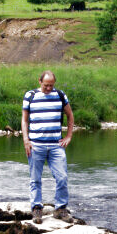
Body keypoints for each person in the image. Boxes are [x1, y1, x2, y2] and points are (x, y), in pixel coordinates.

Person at [21, 70, 74, 223]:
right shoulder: (30, 96)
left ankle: (60, 209)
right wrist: (26, 140)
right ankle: (37, 209)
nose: (49, 88)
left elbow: (70, 115)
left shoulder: (60, 95)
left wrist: (69, 136)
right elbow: (24, 120)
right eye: (46, 85)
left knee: (62, 177)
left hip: (56, 146)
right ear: (40, 81)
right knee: (35, 179)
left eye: (51, 85)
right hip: (36, 145)